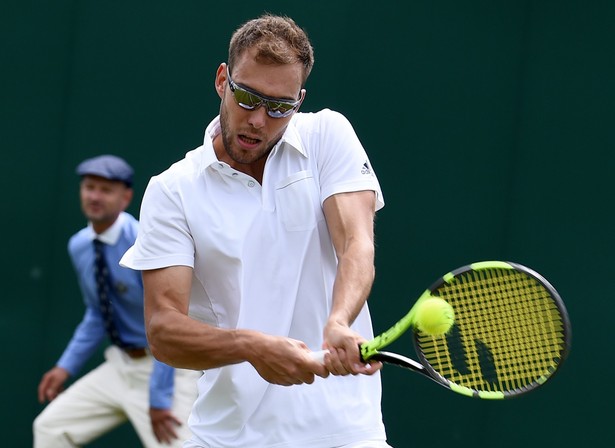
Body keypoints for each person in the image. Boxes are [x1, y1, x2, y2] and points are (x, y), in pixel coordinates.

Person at [121, 14, 391, 448]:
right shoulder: (172, 190)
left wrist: (338, 321)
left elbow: (356, 244)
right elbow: (163, 330)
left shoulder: (328, 135)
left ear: (299, 101)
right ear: (222, 79)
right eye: (247, 97)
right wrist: (251, 346)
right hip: (227, 435)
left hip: (345, 433)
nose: (259, 120)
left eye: (280, 107)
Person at [34, 155, 199, 447]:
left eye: (105, 190)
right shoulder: (80, 245)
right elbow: (98, 314)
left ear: (126, 198)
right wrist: (65, 367)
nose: (95, 196)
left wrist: (159, 399)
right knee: (49, 429)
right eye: (89, 187)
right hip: (120, 365)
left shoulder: (144, 243)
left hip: (166, 372)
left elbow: (168, 321)